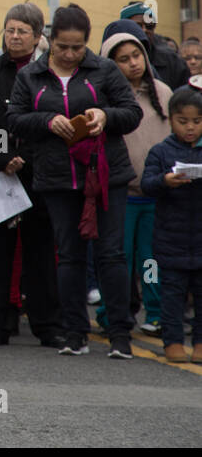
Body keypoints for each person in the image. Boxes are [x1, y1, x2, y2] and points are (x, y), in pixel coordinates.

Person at [7, 3, 143, 358]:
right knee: (68, 256)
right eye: (62, 47)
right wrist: (48, 121)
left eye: (78, 47)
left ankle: (119, 335)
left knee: (111, 254)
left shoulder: (105, 70)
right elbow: (15, 119)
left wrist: (104, 115)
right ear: (51, 41)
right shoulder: (31, 76)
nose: (69, 54)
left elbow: (132, 113)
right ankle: (74, 333)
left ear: (87, 43)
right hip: (57, 177)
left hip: (105, 175)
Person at [0, 3, 61, 347]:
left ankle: (46, 323)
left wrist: (26, 157)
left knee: (40, 250)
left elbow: (52, 123)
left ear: (38, 36)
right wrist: (3, 158)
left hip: (39, 175)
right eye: (10, 30)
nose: (14, 37)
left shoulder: (47, 74)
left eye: (22, 31)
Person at [97, 26, 173, 337]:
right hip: (120, 195)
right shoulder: (106, 96)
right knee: (118, 259)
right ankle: (110, 313)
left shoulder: (164, 92)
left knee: (151, 262)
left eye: (136, 55)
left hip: (158, 194)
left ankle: (154, 313)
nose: (133, 63)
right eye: (123, 59)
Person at [140, 86, 202, 363]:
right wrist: (165, 180)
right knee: (172, 293)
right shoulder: (161, 151)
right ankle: (173, 341)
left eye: (197, 121)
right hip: (170, 238)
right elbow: (147, 184)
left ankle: (199, 343)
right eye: (183, 121)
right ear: (171, 119)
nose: (190, 128)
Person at [121, 2, 189, 88]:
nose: (144, 30)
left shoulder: (172, 61)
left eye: (149, 26)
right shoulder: (111, 59)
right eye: (137, 26)